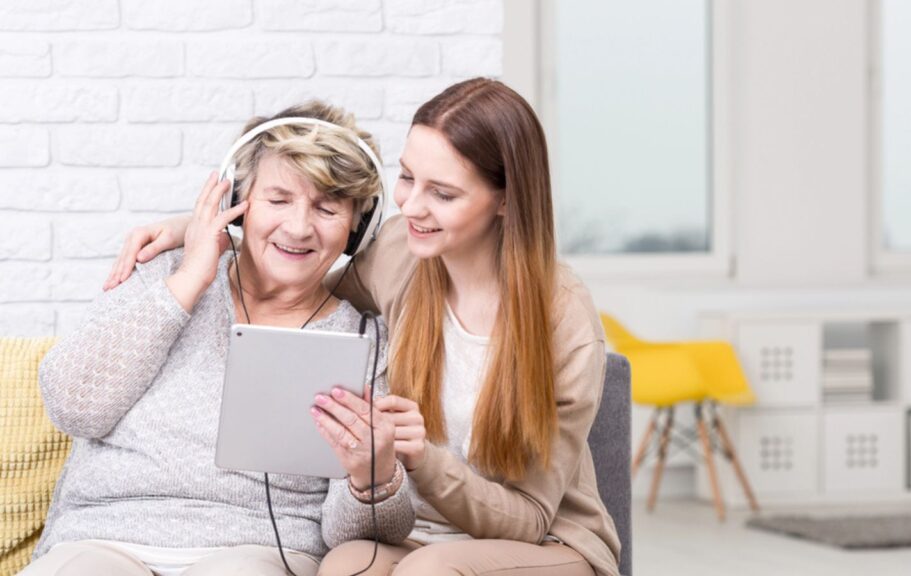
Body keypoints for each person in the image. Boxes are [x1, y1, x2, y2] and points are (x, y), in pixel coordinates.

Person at [104, 78, 621, 576]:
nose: (410, 205)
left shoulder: (562, 318)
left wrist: (421, 459)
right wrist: (201, 233)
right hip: (418, 534)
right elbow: (303, 267)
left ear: (506, 199)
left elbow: (530, 517)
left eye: (442, 193)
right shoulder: (402, 255)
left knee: (432, 569)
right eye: (407, 177)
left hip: (541, 543)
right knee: (344, 565)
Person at [25, 102, 414, 576]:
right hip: (104, 536)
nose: (298, 227)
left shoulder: (362, 340)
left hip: (256, 551)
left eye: (327, 207)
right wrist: (189, 279)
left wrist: (370, 477)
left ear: (358, 225)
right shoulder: (161, 274)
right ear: (237, 204)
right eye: (278, 200)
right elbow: (71, 405)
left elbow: (352, 537)